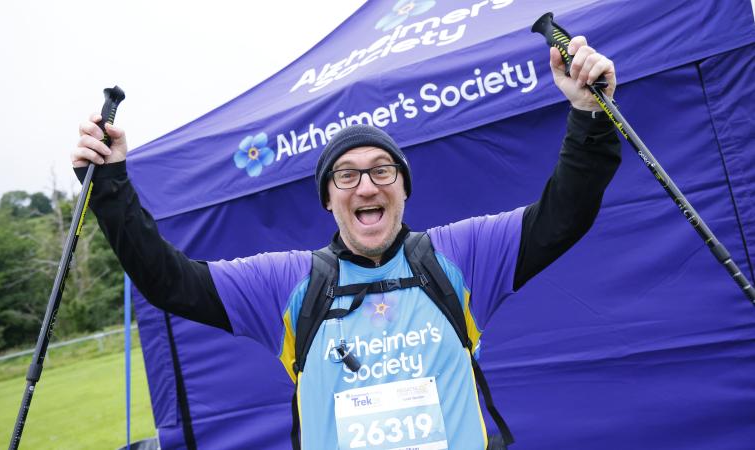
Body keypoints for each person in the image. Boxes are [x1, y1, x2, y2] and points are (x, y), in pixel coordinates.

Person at [73, 37, 619, 450]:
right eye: (346, 176)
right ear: (328, 201)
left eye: (383, 170)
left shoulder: (460, 256)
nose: (366, 185)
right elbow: (169, 282)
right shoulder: (289, 283)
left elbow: (564, 215)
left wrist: (589, 113)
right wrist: (111, 185)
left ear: (404, 189)